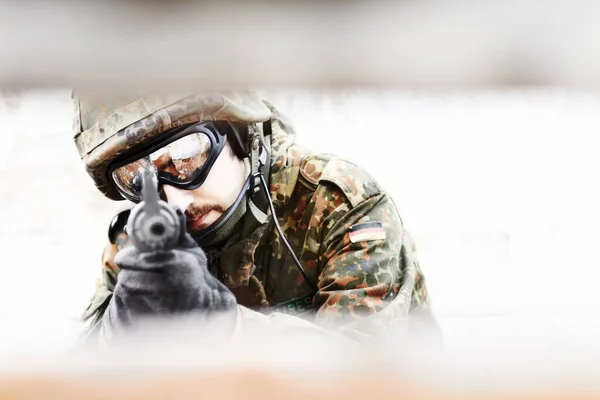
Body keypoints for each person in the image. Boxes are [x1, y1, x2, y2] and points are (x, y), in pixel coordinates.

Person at [73, 90, 440, 345]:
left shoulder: (334, 204)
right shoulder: (138, 246)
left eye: (187, 157)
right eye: (136, 177)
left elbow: (365, 373)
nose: (176, 202)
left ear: (237, 133)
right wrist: (121, 328)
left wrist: (221, 326)